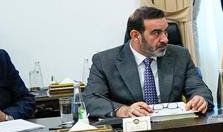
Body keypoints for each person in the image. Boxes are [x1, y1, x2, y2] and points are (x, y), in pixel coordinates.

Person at [84, 7, 212, 118]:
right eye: (156, 33)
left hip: (171, 127)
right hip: (129, 131)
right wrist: (125, 110)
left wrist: (200, 98)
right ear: (135, 35)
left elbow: (199, 89)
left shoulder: (180, 55)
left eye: (165, 31)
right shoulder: (104, 61)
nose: (165, 39)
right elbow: (92, 100)